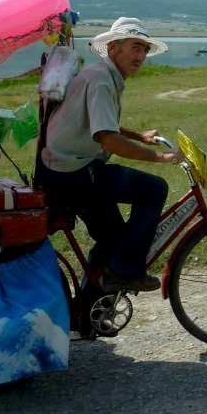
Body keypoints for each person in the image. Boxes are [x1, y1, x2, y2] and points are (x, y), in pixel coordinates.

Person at [35, 17, 185, 292]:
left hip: (61, 171)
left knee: (113, 240)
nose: (140, 56)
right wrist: (161, 158)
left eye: (144, 50)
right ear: (114, 47)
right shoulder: (102, 81)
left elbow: (99, 122)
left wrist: (138, 136)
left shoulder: (101, 75)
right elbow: (108, 139)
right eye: (135, 47)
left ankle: (89, 310)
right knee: (154, 189)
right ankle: (127, 270)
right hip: (75, 173)